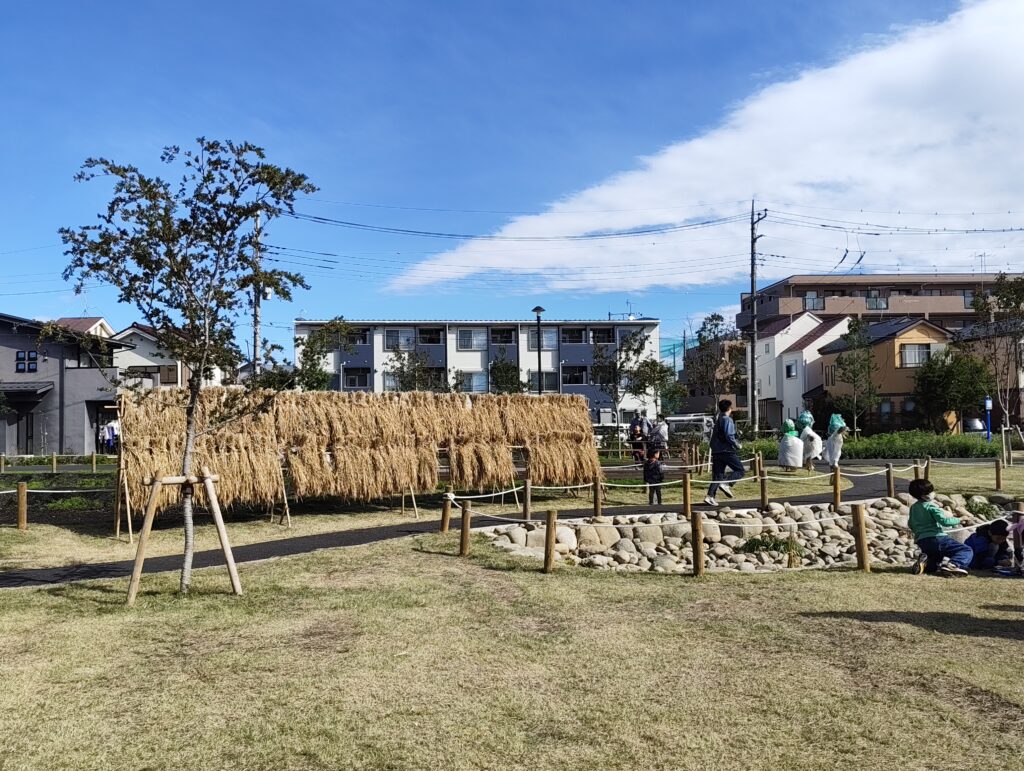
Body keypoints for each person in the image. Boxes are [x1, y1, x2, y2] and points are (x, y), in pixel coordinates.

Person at [908, 478, 973, 577]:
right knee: (965, 550)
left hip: (922, 540)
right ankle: (953, 565)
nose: (933, 493)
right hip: (937, 538)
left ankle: (925, 564)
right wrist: (960, 519)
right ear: (924, 495)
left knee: (936, 558)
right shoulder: (931, 506)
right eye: (931, 491)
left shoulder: (914, 508)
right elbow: (945, 521)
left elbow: (911, 524)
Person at [705, 399, 743, 507]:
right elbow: (729, 435)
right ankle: (726, 483)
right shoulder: (727, 420)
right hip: (726, 450)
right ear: (729, 408)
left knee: (718, 475)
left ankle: (710, 496)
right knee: (740, 470)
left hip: (716, 451)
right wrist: (737, 445)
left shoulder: (718, 419)